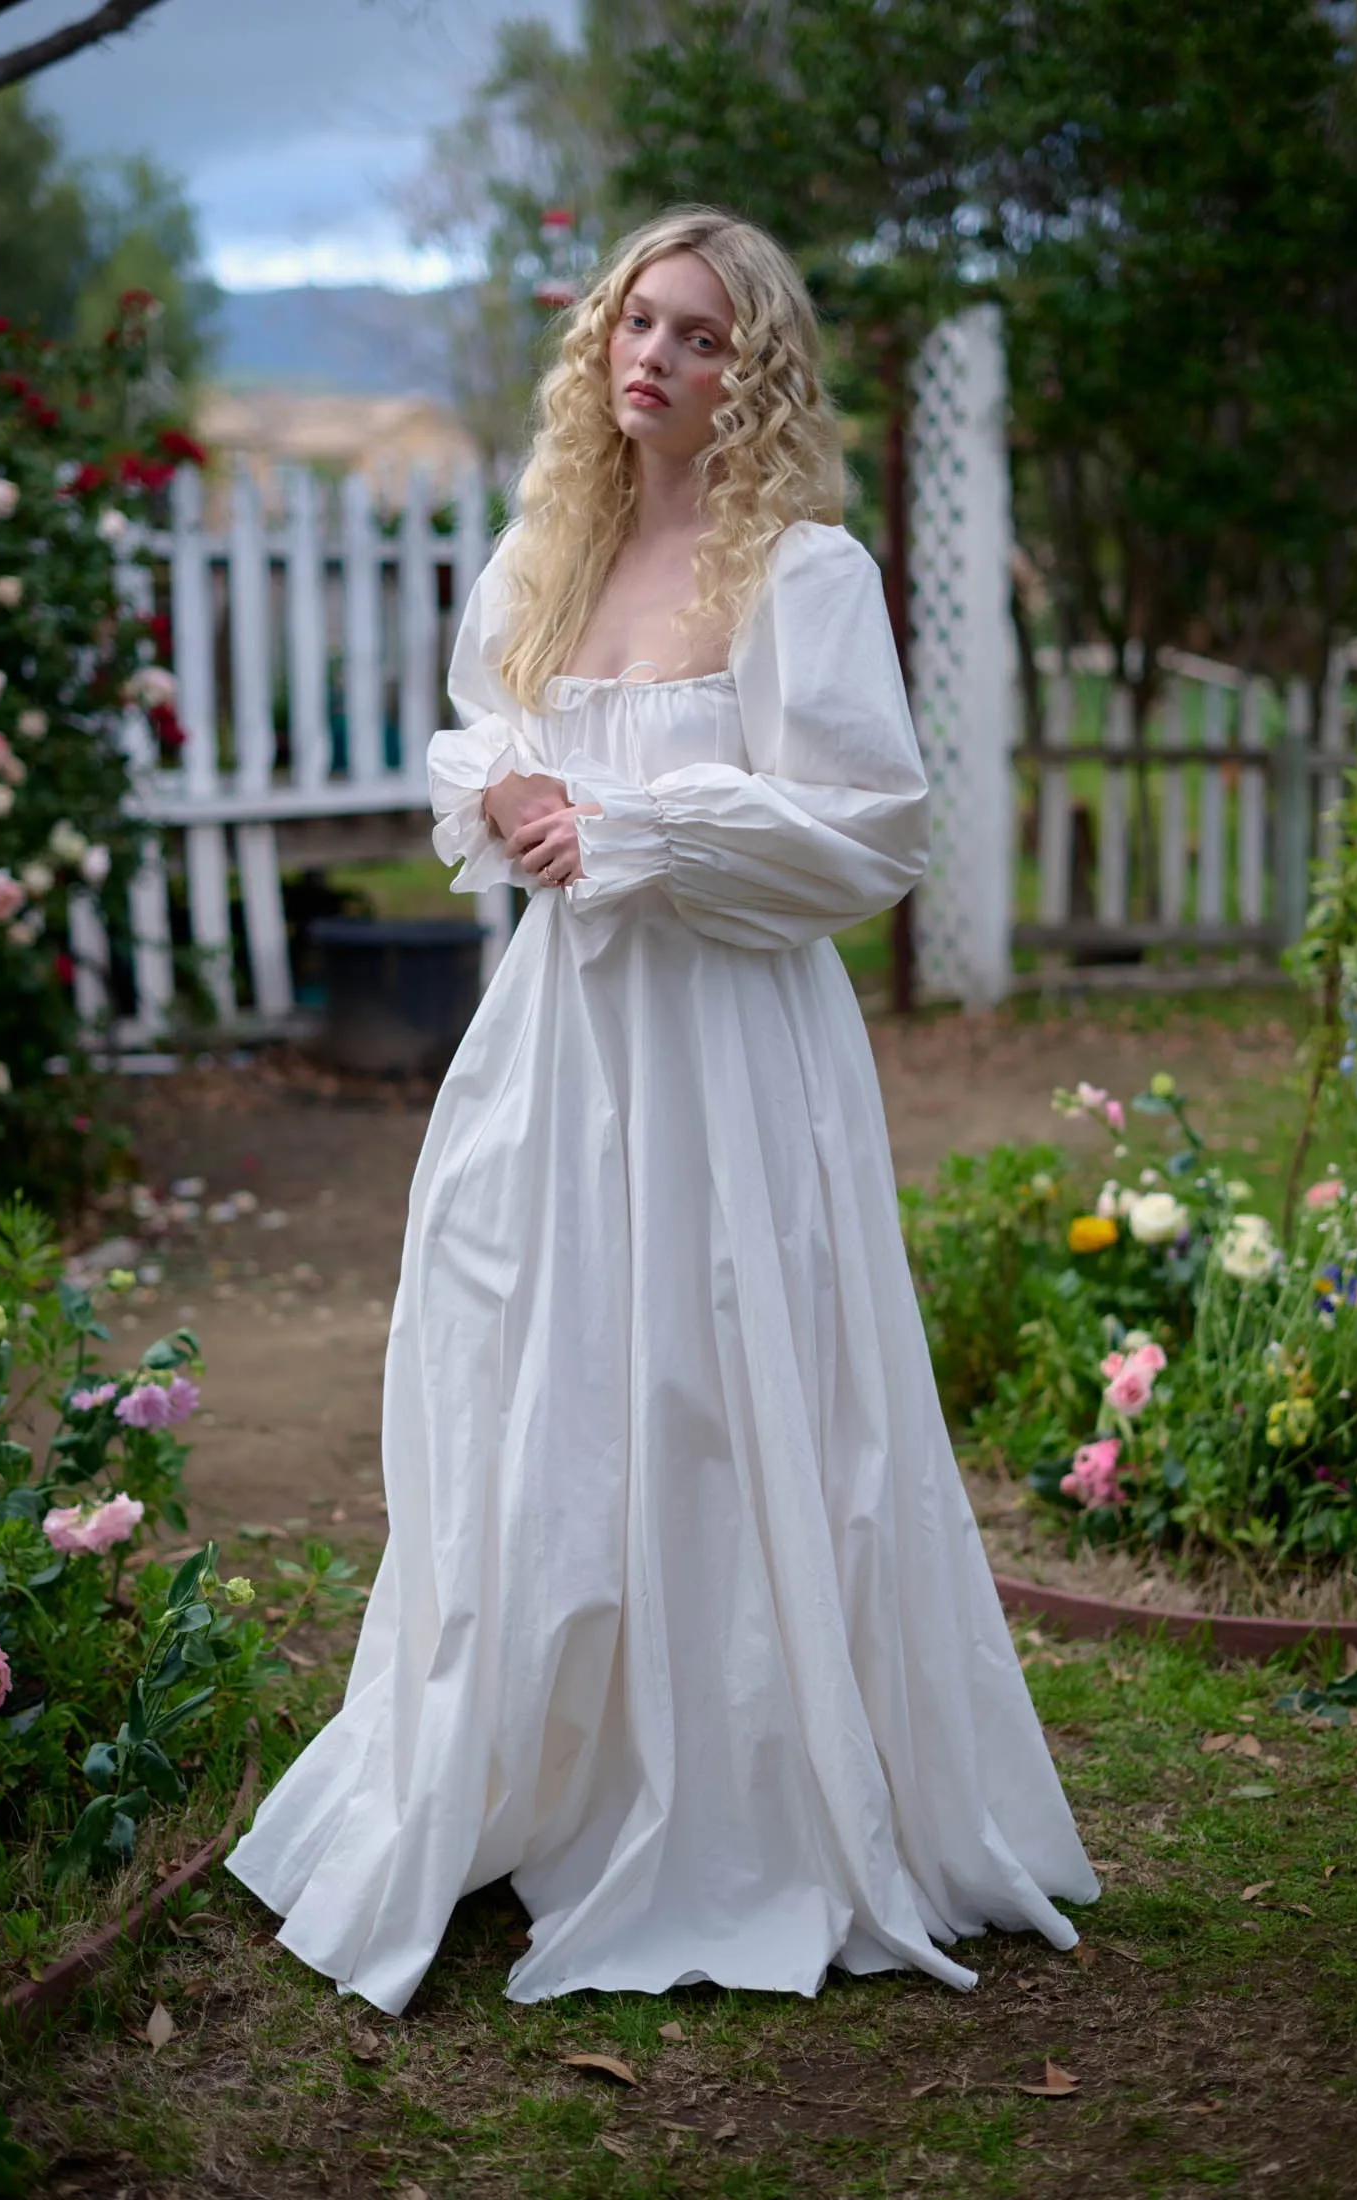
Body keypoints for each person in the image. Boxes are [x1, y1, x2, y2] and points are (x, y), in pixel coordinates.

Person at [224, 205, 1099, 2015]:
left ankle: (743, 1799)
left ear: (752, 369)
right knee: (535, 1372)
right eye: (638, 322)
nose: (656, 359)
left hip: (727, 1054)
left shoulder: (803, 574)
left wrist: (627, 831)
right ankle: (539, 1766)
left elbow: (868, 828)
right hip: (560, 1049)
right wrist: (520, 797)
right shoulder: (554, 546)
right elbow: (477, 734)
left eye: (701, 336)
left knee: (718, 1384)